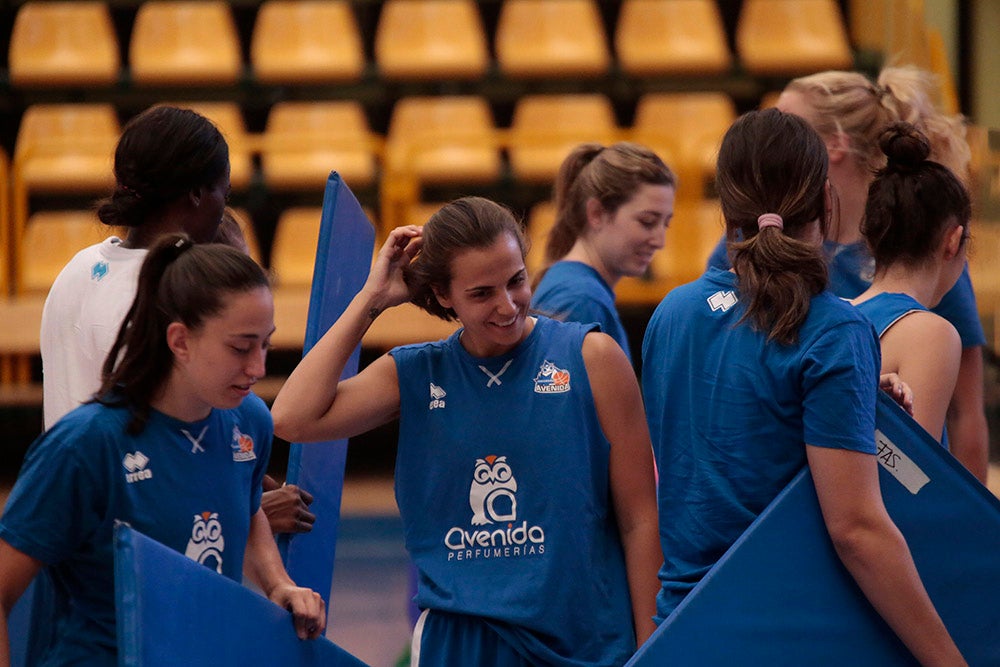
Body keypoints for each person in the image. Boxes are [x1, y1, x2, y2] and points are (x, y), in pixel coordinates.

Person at [271, 197, 660, 666]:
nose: (506, 305)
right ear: (442, 294)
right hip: (461, 645)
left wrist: (653, 647)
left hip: (584, 639)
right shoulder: (416, 372)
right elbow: (292, 418)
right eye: (481, 293)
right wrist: (370, 300)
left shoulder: (592, 357)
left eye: (516, 281)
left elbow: (640, 519)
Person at [644, 109, 965, 666]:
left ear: (726, 206)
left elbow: (732, 433)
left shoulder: (673, 313)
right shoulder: (834, 329)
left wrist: (856, 403)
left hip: (683, 627)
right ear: (824, 201)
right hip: (786, 633)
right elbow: (857, 530)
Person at [0, 236, 326, 666]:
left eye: (265, 344)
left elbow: (244, 515)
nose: (258, 368)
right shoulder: (85, 446)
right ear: (180, 341)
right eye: (241, 347)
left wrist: (278, 584)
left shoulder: (249, 422)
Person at [39, 104, 314, 533]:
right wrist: (251, 511)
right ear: (197, 194)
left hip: (68, 523)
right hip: (132, 542)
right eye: (224, 192)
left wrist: (249, 487)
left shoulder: (77, 267)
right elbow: (168, 449)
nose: (225, 208)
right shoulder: (167, 295)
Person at [706, 66, 988, 483]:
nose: (774, 134)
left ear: (834, 143)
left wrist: (972, 529)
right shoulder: (747, 247)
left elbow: (958, 422)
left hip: (862, 501)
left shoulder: (927, 259)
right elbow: (734, 381)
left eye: (790, 120)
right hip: (792, 495)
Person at [852, 122, 972, 443]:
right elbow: (912, 482)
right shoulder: (932, 334)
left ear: (872, 238)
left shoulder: (833, 314)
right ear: (953, 241)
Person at [531, 142, 675, 361]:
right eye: (647, 222)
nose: (660, 241)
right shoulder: (581, 301)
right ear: (597, 213)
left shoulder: (580, 291)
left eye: (665, 224)